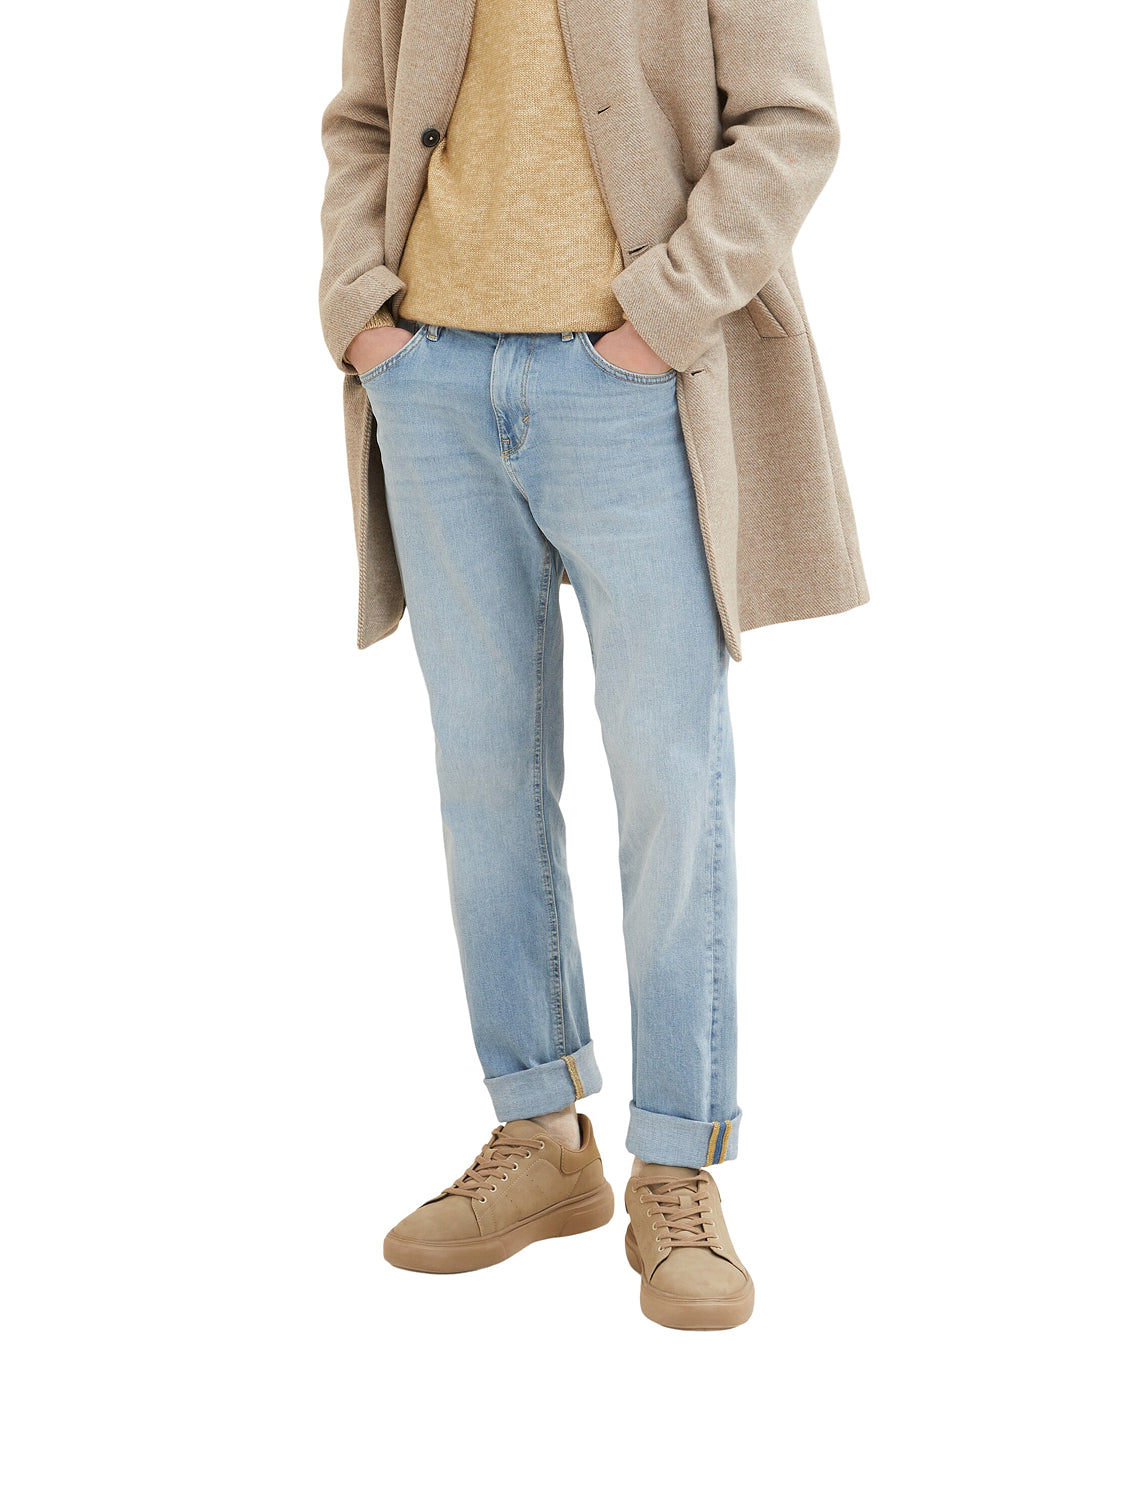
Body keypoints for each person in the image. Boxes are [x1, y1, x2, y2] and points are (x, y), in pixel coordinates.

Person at [319, 0, 867, 1330]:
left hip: (633, 388)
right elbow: (364, 120)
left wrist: (664, 313)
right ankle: (538, 1133)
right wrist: (359, 310)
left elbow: (791, 123)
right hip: (433, 381)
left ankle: (676, 1165)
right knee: (484, 780)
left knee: (671, 777)